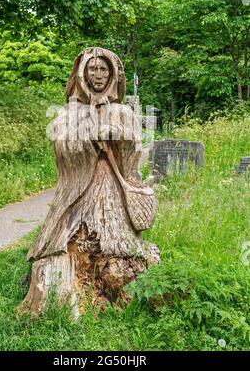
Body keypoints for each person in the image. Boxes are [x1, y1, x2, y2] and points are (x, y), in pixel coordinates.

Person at [22, 47, 159, 314]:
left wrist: (116, 135)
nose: (98, 75)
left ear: (112, 75)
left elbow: (135, 147)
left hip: (112, 186)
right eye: (93, 69)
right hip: (80, 186)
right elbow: (61, 145)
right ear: (83, 73)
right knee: (69, 235)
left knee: (118, 237)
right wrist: (87, 137)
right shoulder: (69, 112)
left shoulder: (122, 111)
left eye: (103, 70)